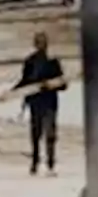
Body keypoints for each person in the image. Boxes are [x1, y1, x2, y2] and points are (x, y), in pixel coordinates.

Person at [14, 32, 66, 176]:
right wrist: (12, 92)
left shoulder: (53, 62)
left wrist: (51, 85)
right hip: (36, 102)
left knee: (50, 134)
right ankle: (35, 161)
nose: (42, 45)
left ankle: (50, 163)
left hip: (49, 102)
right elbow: (24, 81)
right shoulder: (30, 62)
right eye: (39, 42)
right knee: (36, 134)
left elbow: (63, 84)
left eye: (44, 42)